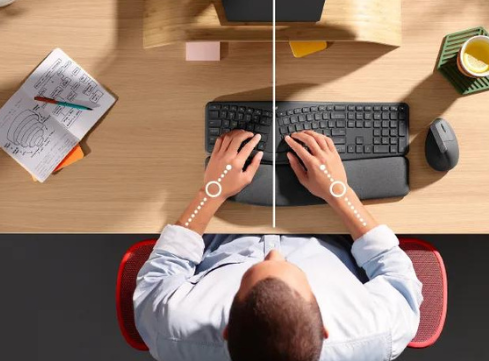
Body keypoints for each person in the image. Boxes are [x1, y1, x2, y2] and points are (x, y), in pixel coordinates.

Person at [134, 129, 423, 361]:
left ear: (226, 330)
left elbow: (165, 265)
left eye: (251, 274)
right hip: (327, 225)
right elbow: (395, 269)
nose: (275, 254)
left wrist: (213, 189)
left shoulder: (171, 329)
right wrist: (339, 191)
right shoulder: (376, 331)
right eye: (292, 269)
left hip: (225, 224)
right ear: (324, 330)